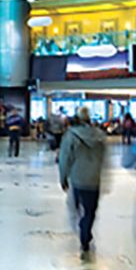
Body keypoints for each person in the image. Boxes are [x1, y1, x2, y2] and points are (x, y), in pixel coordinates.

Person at [58, 107, 107, 262]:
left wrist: (63, 178)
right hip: (94, 179)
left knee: (78, 209)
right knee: (90, 211)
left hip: (78, 178)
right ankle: (86, 232)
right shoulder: (100, 136)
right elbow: (104, 159)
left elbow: (64, 158)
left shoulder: (71, 136)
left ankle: (83, 234)